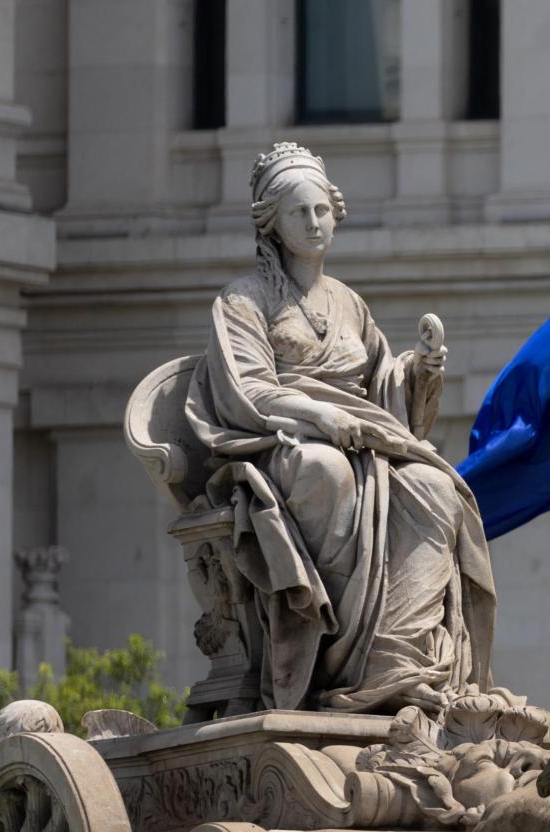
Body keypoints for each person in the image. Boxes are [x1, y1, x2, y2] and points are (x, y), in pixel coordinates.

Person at [185, 142, 496, 713]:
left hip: (365, 441)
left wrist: (420, 369)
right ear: (271, 224)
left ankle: (397, 657)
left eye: (321, 210)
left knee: (438, 491)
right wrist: (320, 416)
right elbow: (247, 392)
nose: (313, 222)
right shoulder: (241, 302)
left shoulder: (349, 303)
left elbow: (383, 390)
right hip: (280, 446)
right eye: (298, 212)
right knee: (328, 475)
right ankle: (336, 661)